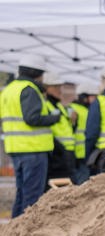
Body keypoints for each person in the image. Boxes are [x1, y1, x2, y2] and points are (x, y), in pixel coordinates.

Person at [0, 54, 61, 217]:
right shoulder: (30, 89)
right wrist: (54, 117)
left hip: (16, 149)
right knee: (32, 197)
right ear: (37, 73)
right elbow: (32, 118)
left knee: (21, 194)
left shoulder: (9, 90)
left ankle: (15, 232)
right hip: (32, 149)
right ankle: (27, 235)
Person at [42, 72, 77, 182]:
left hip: (68, 153)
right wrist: (59, 149)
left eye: (60, 86)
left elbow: (67, 129)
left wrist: (74, 122)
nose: (60, 90)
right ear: (46, 88)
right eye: (56, 86)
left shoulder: (60, 106)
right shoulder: (44, 105)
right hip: (56, 154)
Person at [69, 84, 92, 183]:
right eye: (93, 96)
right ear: (84, 97)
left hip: (85, 151)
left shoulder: (86, 109)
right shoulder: (73, 109)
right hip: (78, 152)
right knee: (81, 181)